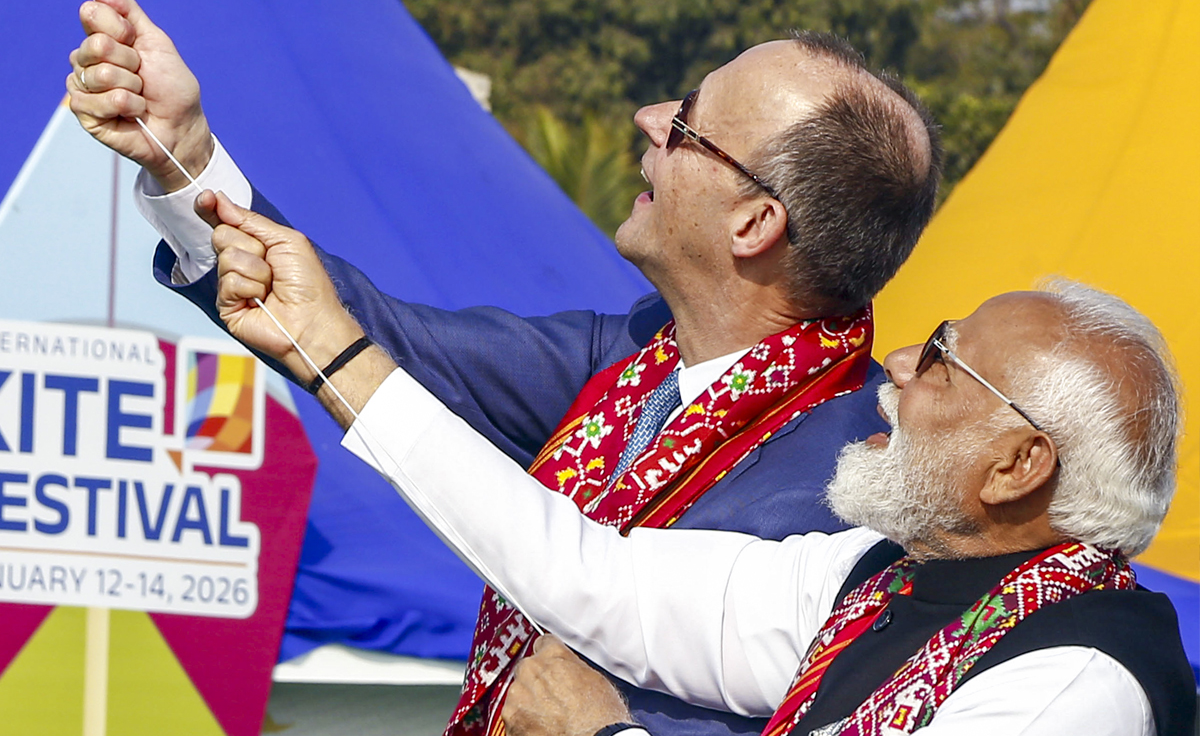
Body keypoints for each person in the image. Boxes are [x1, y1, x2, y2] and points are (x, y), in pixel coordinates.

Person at [67, 0, 942, 736]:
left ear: (754, 223)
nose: (648, 118)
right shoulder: (627, 361)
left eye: (687, 126)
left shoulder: (864, 489)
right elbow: (360, 332)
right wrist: (183, 159)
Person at [198, 201, 1193, 735]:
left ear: (1020, 463)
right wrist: (330, 354)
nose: (902, 365)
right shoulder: (874, 578)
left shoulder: (1079, 683)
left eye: (945, 358)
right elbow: (586, 574)